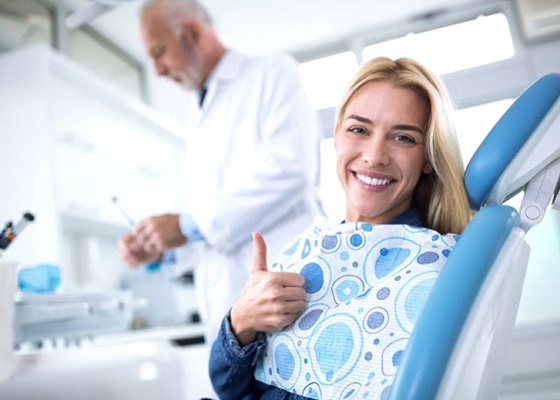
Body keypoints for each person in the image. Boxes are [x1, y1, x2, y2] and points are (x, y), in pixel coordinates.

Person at [208, 56, 472, 399]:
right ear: (337, 136)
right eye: (359, 129)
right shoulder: (307, 249)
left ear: (426, 157)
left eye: (403, 138)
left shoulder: (433, 267)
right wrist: (240, 322)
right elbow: (229, 387)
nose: (374, 156)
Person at [117, 0, 322, 343]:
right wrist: (163, 246)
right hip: (229, 319)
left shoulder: (271, 72)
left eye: (159, 52)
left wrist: (183, 226)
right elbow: (214, 226)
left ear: (193, 33)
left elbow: (290, 170)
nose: (157, 71)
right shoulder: (197, 114)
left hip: (284, 304)